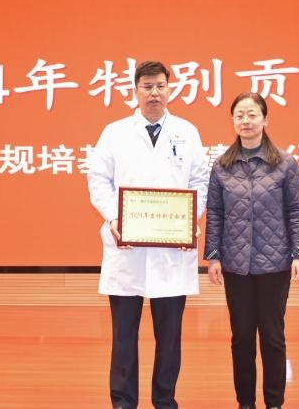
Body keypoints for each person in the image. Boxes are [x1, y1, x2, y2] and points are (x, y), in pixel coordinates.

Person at [87, 60, 209, 409]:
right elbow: (98, 179)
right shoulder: (115, 132)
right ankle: (123, 402)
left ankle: (165, 401)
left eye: (160, 86)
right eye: (147, 86)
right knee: (124, 335)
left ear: (170, 89)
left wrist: (189, 218)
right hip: (127, 247)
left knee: (169, 337)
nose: (154, 92)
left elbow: (200, 181)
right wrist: (113, 217)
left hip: (172, 249)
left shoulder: (187, 131)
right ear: (136, 90)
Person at [203, 92, 299, 409]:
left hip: (275, 263)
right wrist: (213, 256)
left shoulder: (285, 163)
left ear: (265, 119)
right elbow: (215, 213)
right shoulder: (222, 166)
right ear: (233, 121)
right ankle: (246, 402)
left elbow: (295, 210)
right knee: (241, 338)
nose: (246, 121)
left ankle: (274, 402)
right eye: (240, 115)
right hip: (235, 264)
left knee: (273, 337)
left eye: (252, 114)